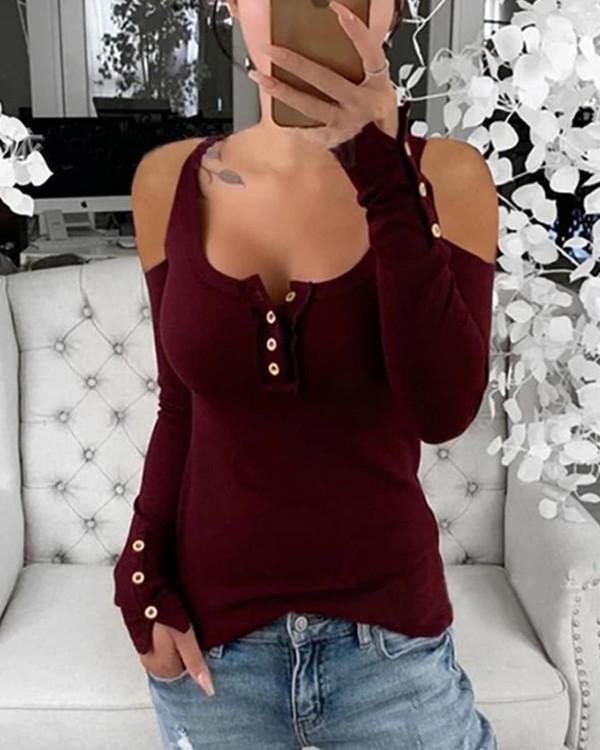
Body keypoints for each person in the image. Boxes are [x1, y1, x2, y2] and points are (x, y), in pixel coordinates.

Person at [112, 0, 500, 747]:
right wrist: (139, 579)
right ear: (232, 4)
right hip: (214, 655)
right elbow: (181, 406)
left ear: (389, 11)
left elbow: (443, 410)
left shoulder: (446, 178)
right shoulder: (168, 181)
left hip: (391, 650)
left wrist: (381, 169)